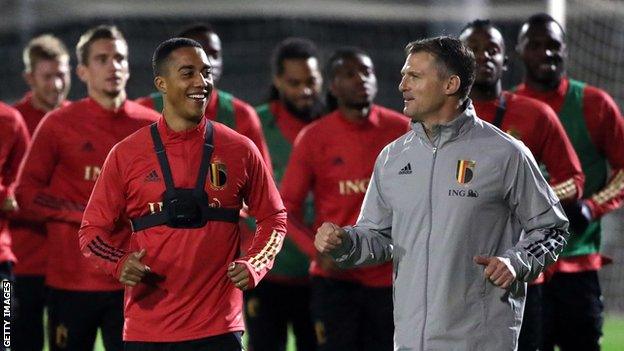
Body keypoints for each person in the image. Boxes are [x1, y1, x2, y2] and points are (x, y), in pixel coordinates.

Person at [315, 36, 570, 351]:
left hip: (481, 340)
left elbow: (552, 229)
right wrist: (346, 242)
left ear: (450, 84)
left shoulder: (506, 153)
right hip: (410, 341)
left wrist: (515, 262)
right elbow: (380, 237)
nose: (402, 85)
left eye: (415, 76)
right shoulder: (393, 157)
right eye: (404, 75)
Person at [78, 38, 286, 351]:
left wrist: (254, 263)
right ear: (161, 83)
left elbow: (274, 217)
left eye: (206, 73)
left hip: (219, 328)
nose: (201, 82)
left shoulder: (240, 149)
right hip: (148, 332)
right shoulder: (126, 154)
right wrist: (119, 263)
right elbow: (91, 232)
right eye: (188, 73)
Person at [14, 25, 159, 351]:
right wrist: (78, 213)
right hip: (71, 282)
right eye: (102, 59)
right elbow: (26, 193)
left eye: (120, 58)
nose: (113, 66)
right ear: (82, 71)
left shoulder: (151, 125)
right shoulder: (58, 125)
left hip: (132, 281)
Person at [281, 47, 409, 351]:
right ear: (333, 86)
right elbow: (286, 208)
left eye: (366, 72)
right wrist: (317, 252)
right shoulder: (314, 137)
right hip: (336, 280)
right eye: (349, 74)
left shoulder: (402, 131)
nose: (361, 79)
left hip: (390, 279)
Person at [514, 13, 624, 351]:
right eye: (535, 45)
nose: (545, 53)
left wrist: (592, 207)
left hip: (578, 261)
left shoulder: (595, 104)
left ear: (566, 51)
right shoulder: (506, 110)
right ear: (519, 51)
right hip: (523, 267)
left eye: (553, 46)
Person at [245, 37, 323, 351]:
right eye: (294, 83)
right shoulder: (255, 124)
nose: (305, 91)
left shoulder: (332, 123)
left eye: (311, 81)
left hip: (321, 275)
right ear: (277, 81)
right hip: (267, 275)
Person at [136, 23, 271, 166]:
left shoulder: (242, 115)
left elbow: (260, 179)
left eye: (214, 54)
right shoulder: (144, 110)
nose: (209, 62)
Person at [11, 34, 71, 351]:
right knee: (20, 343)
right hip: (23, 263)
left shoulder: (81, 120)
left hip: (70, 264)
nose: (57, 84)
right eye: (47, 76)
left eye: (62, 74)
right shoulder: (10, 122)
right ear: (29, 77)